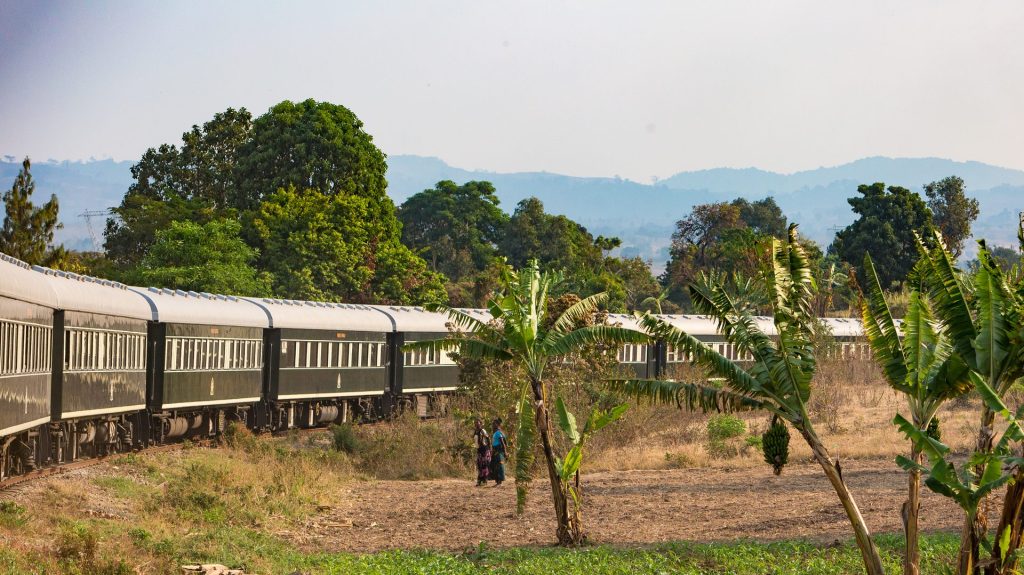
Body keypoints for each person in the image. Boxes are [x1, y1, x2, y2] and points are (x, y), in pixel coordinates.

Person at [490, 418, 509, 486]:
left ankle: (499, 482)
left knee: (499, 466)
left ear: (498, 425)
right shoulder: (495, 433)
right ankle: (497, 481)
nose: (493, 425)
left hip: (499, 451)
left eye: (494, 424)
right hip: (495, 451)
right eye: (492, 424)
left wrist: (505, 452)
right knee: (495, 466)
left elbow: (503, 443)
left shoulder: (498, 433)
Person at [473, 418, 491, 486]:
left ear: (480, 423)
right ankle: (480, 481)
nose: (476, 424)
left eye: (477, 422)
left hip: (484, 449)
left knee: (484, 465)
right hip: (479, 449)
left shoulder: (482, 430)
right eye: (475, 423)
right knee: (479, 465)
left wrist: (490, 449)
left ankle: (484, 481)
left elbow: (488, 438)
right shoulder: (476, 431)